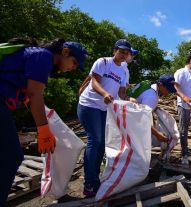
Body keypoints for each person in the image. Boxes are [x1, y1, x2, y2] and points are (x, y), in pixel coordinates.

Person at [0, 37, 88, 206]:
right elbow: (35, 95)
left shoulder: (36, 55)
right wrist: (43, 130)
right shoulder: (43, 56)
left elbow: (27, 93)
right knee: (11, 157)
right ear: (65, 52)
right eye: (74, 63)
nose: (73, 68)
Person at [78, 39, 132, 197]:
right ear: (114, 50)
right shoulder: (103, 62)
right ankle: (88, 184)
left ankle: (95, 180)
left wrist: (128, 100)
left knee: (102, 143)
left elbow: (121, 92)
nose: (124, 55)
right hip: (89, 105)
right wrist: (105, 93)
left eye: (127, 53)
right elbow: (94, 82)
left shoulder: (123, 71)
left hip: (103, 108)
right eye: (121, 51)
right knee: (95, 140)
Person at [133, 74, 177, 142]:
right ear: (161, 85)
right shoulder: (152, 97)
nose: (169, 92)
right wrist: (157, 134)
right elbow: (142, 119)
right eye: (168, 89)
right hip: (131, 124)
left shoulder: (149, 85)